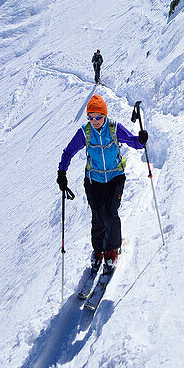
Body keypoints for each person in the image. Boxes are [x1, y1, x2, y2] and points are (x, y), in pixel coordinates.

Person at [57, 94, 148, 274]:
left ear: (105, 115)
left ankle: (112, 250)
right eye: (91, 117)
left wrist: (141, 139)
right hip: (94, 181)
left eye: (98, 117)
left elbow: (134, 143)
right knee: (98, 215)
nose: (95, 121)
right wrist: (62, 172)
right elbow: (68, 152)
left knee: (110, 213)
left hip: (115, 178)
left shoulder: (114, 128)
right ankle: (98, 251)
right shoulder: (85, 132)